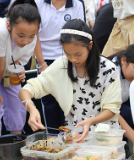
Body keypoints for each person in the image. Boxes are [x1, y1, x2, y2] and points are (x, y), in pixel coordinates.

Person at [18, 19, 122, 141]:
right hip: (75, 138)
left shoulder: (108, 69)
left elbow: (111, 109)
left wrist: (91, 121)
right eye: (67, 53)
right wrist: (32, 108)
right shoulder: (62, 65)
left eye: (78, 54)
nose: (73, 59)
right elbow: (26, 90)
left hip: (106, 137)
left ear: (90, 45)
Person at [30, 0, 86, 134]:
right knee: (49, 103)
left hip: (70, 57)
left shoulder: (77, 4)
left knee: (71, 100)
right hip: (45, 58)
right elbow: (34, 34)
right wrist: (42, 64)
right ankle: (53, 140)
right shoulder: (38, 3)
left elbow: (80, 33)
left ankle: (72, 140)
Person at [0, 0, 41, 135]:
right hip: (1, 68)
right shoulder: (1, 31)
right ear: (9, 26)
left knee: (17, 104)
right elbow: (1, 65)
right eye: (21, 35)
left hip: (6, 72)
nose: (26, 41)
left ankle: (15, 142)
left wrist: (19, 69)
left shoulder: (32, 39)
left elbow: (16, 61)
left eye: (31, 36)